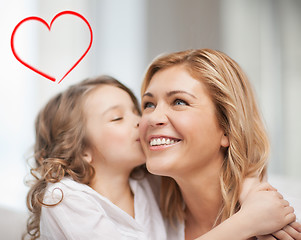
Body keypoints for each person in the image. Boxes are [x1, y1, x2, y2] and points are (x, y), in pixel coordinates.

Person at [24, 75, 297, 240]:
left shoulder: (148, 182)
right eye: (118, 118)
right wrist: (246, 222)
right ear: (81, 148)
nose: (143, 121)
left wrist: (250, 191)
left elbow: (216, 170)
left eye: (137, 110)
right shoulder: (64, 197)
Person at [139, 48, 301, 239]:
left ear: (227, 128)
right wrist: (246, 223)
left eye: (179, 102)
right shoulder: (144, 217)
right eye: (149, 104)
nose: (153, 117)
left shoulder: (287, 220)